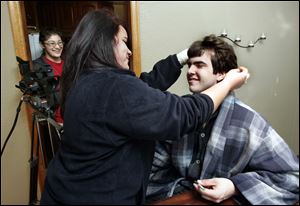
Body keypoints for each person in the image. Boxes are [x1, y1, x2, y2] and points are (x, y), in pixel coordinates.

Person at [40, 11, 249, 205]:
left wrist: (182, 57)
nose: (129, 50)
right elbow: (182, 114)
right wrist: (228, 83)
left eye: (200, 65)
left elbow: (144, 86)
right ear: (106, 43)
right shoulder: (115, 88)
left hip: (62, 192)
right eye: (124, 42)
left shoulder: (85, 81)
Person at [146, 35, 299, 205]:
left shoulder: (248, 122)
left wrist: (234, 186)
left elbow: (292, 178)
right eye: (189, 65)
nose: (189, 71)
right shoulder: (181, 112)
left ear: (220, 74)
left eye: (199, 65)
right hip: (180, 195)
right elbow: (152, 165)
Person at [33, 27, 64, 124]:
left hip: (77, 114)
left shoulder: (69, 63)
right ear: (42, 45)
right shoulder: (37, 66)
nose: (58, 46)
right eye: (52, 43)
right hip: (57, 120)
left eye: (60, 42)